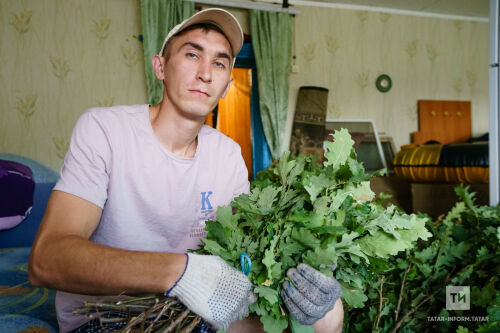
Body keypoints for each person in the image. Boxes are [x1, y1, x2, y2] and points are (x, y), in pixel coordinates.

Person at [28, 8, 343, 333]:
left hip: (194, 315)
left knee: (327, 320)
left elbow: (244, 258)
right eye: (192, 54)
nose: (206, 73)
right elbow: (46, 259)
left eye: (219, 63)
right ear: (160, 66)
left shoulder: (227, 155)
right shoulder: (104, 130)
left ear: (226, 85)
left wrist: (308, 278)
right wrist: (180, 270)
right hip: (107, 318)